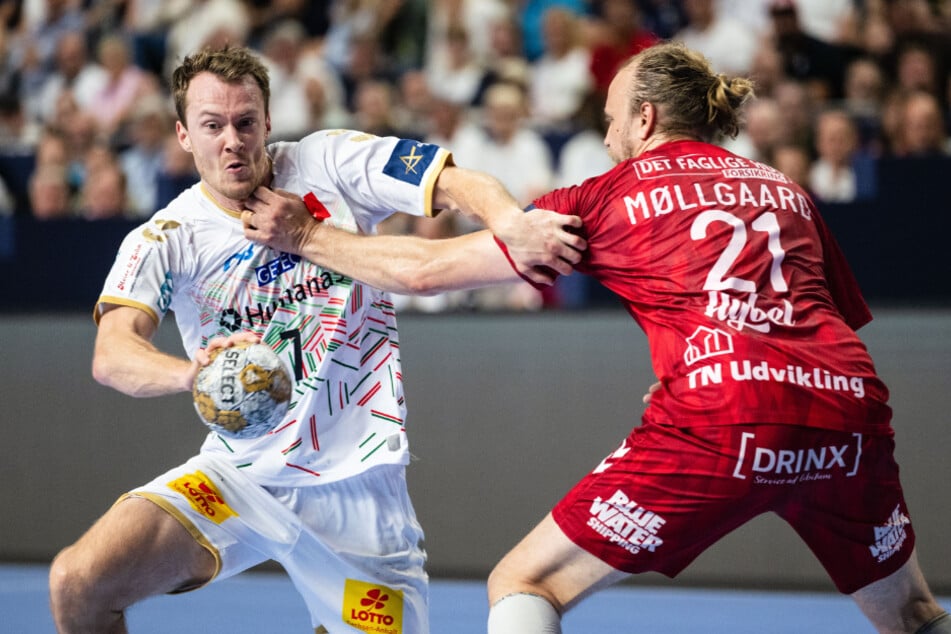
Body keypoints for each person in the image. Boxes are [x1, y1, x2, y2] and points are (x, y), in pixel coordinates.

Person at [242, 41, 950, 633]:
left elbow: (426, 270)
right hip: (847, 408)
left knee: (524, 582)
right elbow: (815, 316)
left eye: (611, 119)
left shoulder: (602, 198)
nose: (608, 135)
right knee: (913, 613)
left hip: (719, 414)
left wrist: (306, 235)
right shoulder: (785, 188)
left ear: (643, 119)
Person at [46, 45, 581, 634]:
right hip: (237, 477)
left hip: (360, 490)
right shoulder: (165, 238)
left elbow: (455, 183)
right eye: (212, 125)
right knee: (78, 583)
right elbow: (113, 353)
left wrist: (510, 222)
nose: (233, 140)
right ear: (182, 134)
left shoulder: (330, 161)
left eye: (246, 121)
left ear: (268, 121)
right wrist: (190, 374)